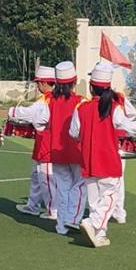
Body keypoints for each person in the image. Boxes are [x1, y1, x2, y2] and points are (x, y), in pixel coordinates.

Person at [70, 63, 136, 248]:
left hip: (88, 159)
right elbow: (128, 126)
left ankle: (99, 235)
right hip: (108, 159)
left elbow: (73, 132)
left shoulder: (81, 108)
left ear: (91, 87)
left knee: (95, 201)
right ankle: (93, 223)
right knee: (110, 197)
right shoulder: (114, 107)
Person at [10, 65, 57, 220]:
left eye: (38, 83)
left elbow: (30, 114)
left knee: (46, 177)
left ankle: (53, 209)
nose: (37, 86)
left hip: (48, 142)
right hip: (44, 140)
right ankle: (32, 205)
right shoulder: (55, 97)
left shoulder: (46, 99)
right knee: (37, 176)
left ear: (43, 83)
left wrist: (13, 111)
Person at [47, 61, 85, 235]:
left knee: (62, 188)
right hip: (76, 150)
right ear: (74, 81)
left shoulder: (49, 100)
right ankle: (73, 219)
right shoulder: (80, 102)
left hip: (56, 150)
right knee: (79, 185)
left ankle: (61, 225)